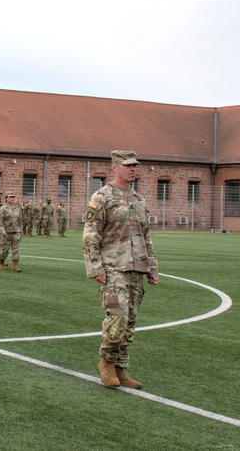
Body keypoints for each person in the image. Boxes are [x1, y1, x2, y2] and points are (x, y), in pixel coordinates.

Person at [83, 150, 159, 389]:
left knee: (130, 322)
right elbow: (90, 236)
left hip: (137, 268)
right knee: (118, 318)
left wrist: (152, 267)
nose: (133, 169)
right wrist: (96, 267)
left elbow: (146, 237)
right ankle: (106, 362)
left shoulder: (138, 200)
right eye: (128, 165)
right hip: (113, 267)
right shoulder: (102, 197)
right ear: (114, 167)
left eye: (135, 165)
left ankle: (120, 367)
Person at [0, 192, 23, 272]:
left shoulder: (17, 209)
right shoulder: (3, 209)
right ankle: (1, 262)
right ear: (6, 198)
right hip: (6, 232)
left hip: (16, 231)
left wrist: (21, 232)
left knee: (16, 249)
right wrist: (3, 231)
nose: (12, 198)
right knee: (4, 249)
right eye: (10, 197)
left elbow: (20, 221)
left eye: (13, 197)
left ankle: (15, 265)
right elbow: (0, 221)